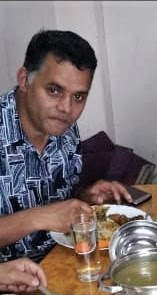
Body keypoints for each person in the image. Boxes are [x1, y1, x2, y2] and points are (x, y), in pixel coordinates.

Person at [0, 30, 131, 263]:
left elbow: (61, 194)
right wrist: (38, 218)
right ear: (24, 80)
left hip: (65, 263)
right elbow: (46, 213)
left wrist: (86, 195)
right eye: (54, 90)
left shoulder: (64, 128)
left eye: (79, 97)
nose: (66, 107)